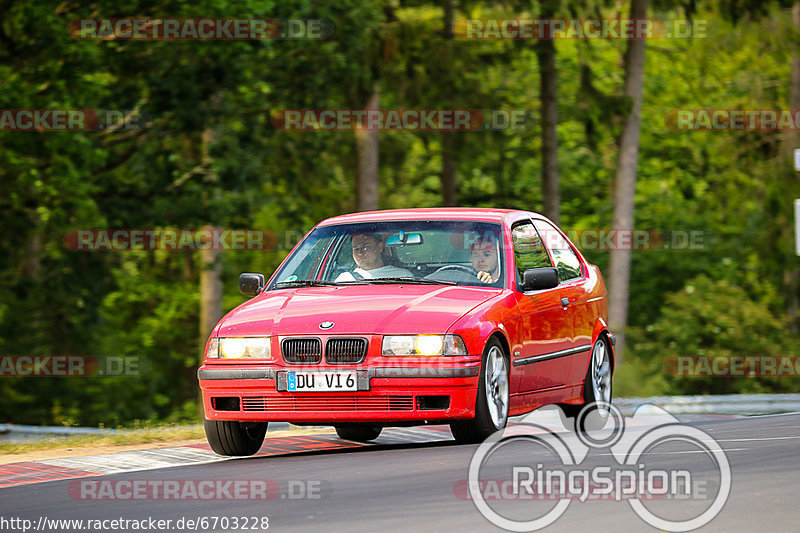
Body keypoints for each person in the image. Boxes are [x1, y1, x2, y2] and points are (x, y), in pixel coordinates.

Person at [335, 233, 414, 281]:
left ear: (380, 247)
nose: (360, 252)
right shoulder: (344, 279)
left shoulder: (403, 276)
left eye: (365, 247)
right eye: (356, 249)